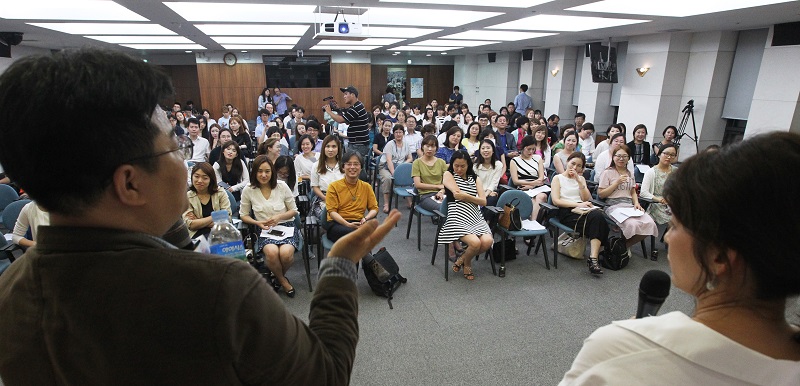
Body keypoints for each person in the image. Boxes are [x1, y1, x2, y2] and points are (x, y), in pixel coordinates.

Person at [0, 48, 402, 384]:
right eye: (175, 146)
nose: (189, 162)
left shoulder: (11, 289)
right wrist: (338, 267)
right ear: (130, 183)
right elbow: (324, 376)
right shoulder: (219, 288)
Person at [561, 132, 800, 384]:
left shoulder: (617, 351)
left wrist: (636, 335)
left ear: (718, 257)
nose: (666, 239)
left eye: (674, 226)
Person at [239, 156, 299, 297]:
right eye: (260, 171)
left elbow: (294, 210)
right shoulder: (249, 189)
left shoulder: (282, 186)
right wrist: (257, 223)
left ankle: (276, 277)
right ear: (254, 172)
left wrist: (279, 217)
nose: (264, 175)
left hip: (286, 226)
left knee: (286, 254)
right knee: (272, 253)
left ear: (272, 172)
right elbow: (243, 215)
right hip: (264, 228)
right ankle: (283, 281)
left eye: (267, 171)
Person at [550, 152, 610, 275]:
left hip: (582, 209)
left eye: (579, 166)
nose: (575, 168)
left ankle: (593, 258)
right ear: (567, 162)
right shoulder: (558, 178)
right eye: (573, 163)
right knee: (598, 220)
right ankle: (595, 258)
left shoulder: (581, 179)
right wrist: (578, 205)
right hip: (567, 211)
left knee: (599, 217)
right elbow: (556, 201)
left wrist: (579, 182)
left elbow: (586, 198)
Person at [439, 150, 493, 280]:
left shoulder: (475, 178)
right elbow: (457, 193)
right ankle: (467, 263)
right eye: (456, 165)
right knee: (475, 243)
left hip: (474, 215)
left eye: (462, 166)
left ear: (468, 165)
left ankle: (463, 258)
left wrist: (466, 196)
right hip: (457, 214)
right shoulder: (448, 174)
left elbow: (483, 201)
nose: (459, 169)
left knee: (487, 241)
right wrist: (470, 197)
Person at [598, 144, 658, 250]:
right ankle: (621, 248)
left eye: (625, 156)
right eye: (618, 156)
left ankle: (622, 247)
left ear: (629, 158)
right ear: (613, 157)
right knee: (632, 224)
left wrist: (636, 203)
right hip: (613, 205)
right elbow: (601, 194)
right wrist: (616, 183)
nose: (621, 159)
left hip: (629, 206)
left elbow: (633, 191)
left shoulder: (630, 173)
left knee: (650, 223)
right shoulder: (607, 173)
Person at [325, 151, 379, 243]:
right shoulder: (334, 186)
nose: (352, 167)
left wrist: (365, 218)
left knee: (361, 234)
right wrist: (347, 224)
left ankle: (365, 257)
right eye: (349, 164)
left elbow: (374, 208)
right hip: (337, 224)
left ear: (361, 167)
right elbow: (332, 212)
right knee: (362, 235)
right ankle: (371, 258)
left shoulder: (366, 187)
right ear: (343, 167)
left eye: (356, 164)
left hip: (359, 222)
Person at [639, 143, 677, 259]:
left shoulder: (676, 171)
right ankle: (661, 245)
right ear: (659, 154)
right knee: (673, 219)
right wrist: (659, 199)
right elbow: (644, 192)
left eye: (672, 155)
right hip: (656, 203)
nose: (669, 157)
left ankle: (674, 243)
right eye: (666, 154)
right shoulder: (651, 172)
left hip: (672, 203)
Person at [184, 162, 232, 239]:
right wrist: (217, 216)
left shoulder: (220, 193)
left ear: (211, 179)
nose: (199, 181)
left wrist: (199, 221)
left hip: (220, 233)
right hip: (197, 236)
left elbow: (227, 219)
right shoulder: (187, 196)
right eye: (196, 176)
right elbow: (191, 225)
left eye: (205, 178)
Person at [323, 86, 369, 159]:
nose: (344, 97)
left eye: (346, 94)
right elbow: (347, 121)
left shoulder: (356, 107)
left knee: (356, 166)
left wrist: (329, 111)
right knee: (355, 166)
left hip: (358, 144)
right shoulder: (355, 106)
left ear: (353, 95)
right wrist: (337, 110)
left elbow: (340, 120)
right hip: (356, 143)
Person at [510, 135, 548, 222]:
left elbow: (541, 178)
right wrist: (533, 184)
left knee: (541, 196)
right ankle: (533, 223)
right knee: (532, 200)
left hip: (538, 187)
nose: (531, 151)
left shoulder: (538, 158)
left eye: (533, 149)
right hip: (523, 187)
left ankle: (532, 222)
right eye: (529, 149)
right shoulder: (515, 161)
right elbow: (515, 181)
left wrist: (532, 185)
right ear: (523, 148)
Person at [379, 124, 413, 213]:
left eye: (400, 132)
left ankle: (409, 201)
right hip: (386, 167)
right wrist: (395, 173)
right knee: (387, 178)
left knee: (408, 176)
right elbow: (389, 160)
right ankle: (386, 203)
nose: (398, 134)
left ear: (403, 133)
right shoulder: (390, 144)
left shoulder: (406, 144)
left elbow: (410, 158)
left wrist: (403, 166)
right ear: (393, 134)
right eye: (396, 132)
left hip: (399, 166)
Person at [310, 135, 345, 218]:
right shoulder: (316, 166)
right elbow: (315, 187)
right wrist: (325, 198)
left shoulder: (344, 165)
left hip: (343, 199)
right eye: (327, 146)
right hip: (323, 199)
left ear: (338, 148)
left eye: (334, 146)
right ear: (323, 148)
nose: (330, 150)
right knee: (331, 216)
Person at [412, 135, 448, 212]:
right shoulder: (417, 163)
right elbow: (418, 184)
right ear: (422, 147)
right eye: (427, 146)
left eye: (433, 146)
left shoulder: (441, 162)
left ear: (436, 148)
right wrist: (437, 186)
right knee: (443, 208)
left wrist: (441, 191)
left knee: (457, 208)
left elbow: (447, 182)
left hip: (442, 193)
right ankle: (442, 223)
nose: (430, 149)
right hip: (425, 195)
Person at [474, 139, 504, 215]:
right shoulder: (475, 166)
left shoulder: (498, 165)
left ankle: (486, 223)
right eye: (483, 148)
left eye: (488, 148)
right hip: (477, 192)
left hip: (490, 192)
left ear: (493, 150)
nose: (485, 150)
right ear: (480, 151)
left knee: (492, 199)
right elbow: (475, 183)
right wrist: (481, 195)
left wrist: (485, 195)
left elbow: (494, 183)